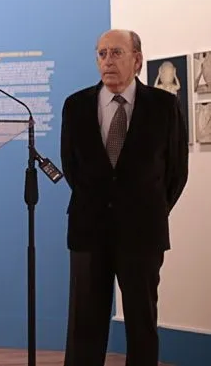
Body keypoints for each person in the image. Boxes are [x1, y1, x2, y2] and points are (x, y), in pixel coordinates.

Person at [60, 29, 189, 366]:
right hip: (89, 231)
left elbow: (176, 171)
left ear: (137, 60)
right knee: (84, 325)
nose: (107, 61)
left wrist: (150, 209)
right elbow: (72, 168)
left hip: (143, 232)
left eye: (116, 53)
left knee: (141, 323)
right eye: (101, 53)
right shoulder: (76, 106)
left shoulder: (164, 106)